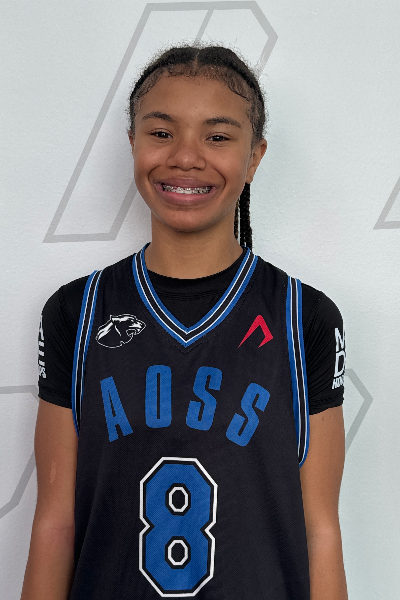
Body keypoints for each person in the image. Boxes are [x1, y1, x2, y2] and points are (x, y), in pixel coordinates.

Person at [21, 43, 348, 600]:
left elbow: (320, 531)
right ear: (133, 143)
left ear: (255, 156)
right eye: (162, 132)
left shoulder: (304, 318)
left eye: (217, 137)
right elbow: (55, 523)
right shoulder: (77, 311)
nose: (186, 157)